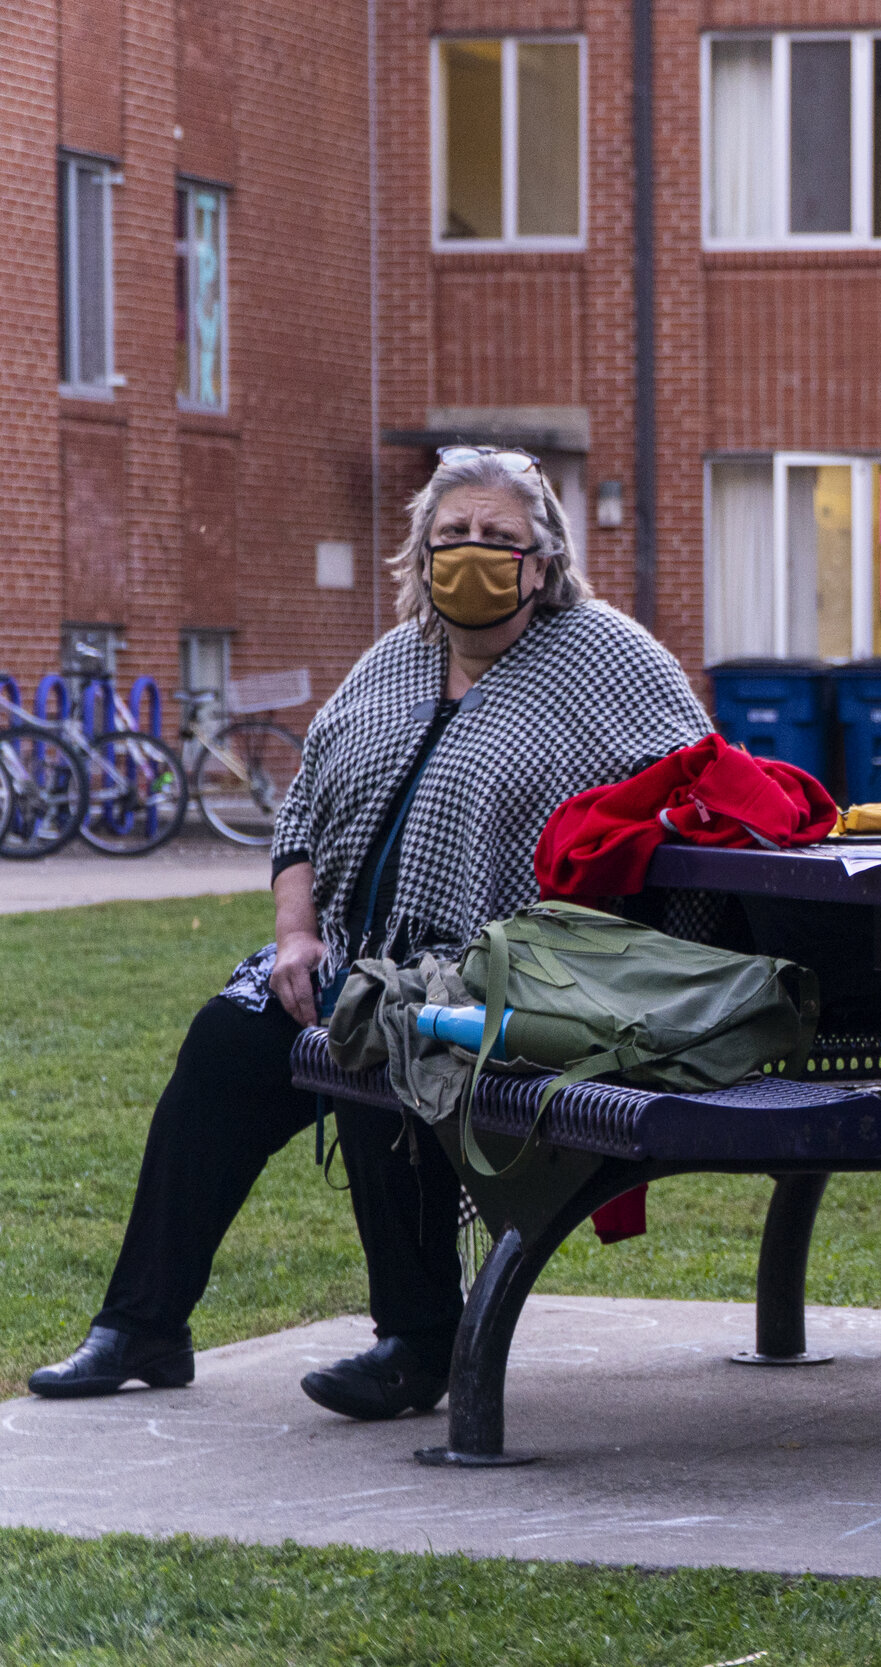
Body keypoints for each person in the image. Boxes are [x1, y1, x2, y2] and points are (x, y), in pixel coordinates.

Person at [28, 447, 713, 1417]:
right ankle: (144, 1323)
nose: (470, 555)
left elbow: (689, 783)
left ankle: (420, 1337)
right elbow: (303, 805)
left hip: (503, 976)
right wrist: (296, 932)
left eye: (496, 538)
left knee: (387, 1035)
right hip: (351, 950)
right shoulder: (396, 655)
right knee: (227, 1043)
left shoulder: (603, 654)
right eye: (452, 537)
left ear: (543, 559)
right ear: (421, 551)